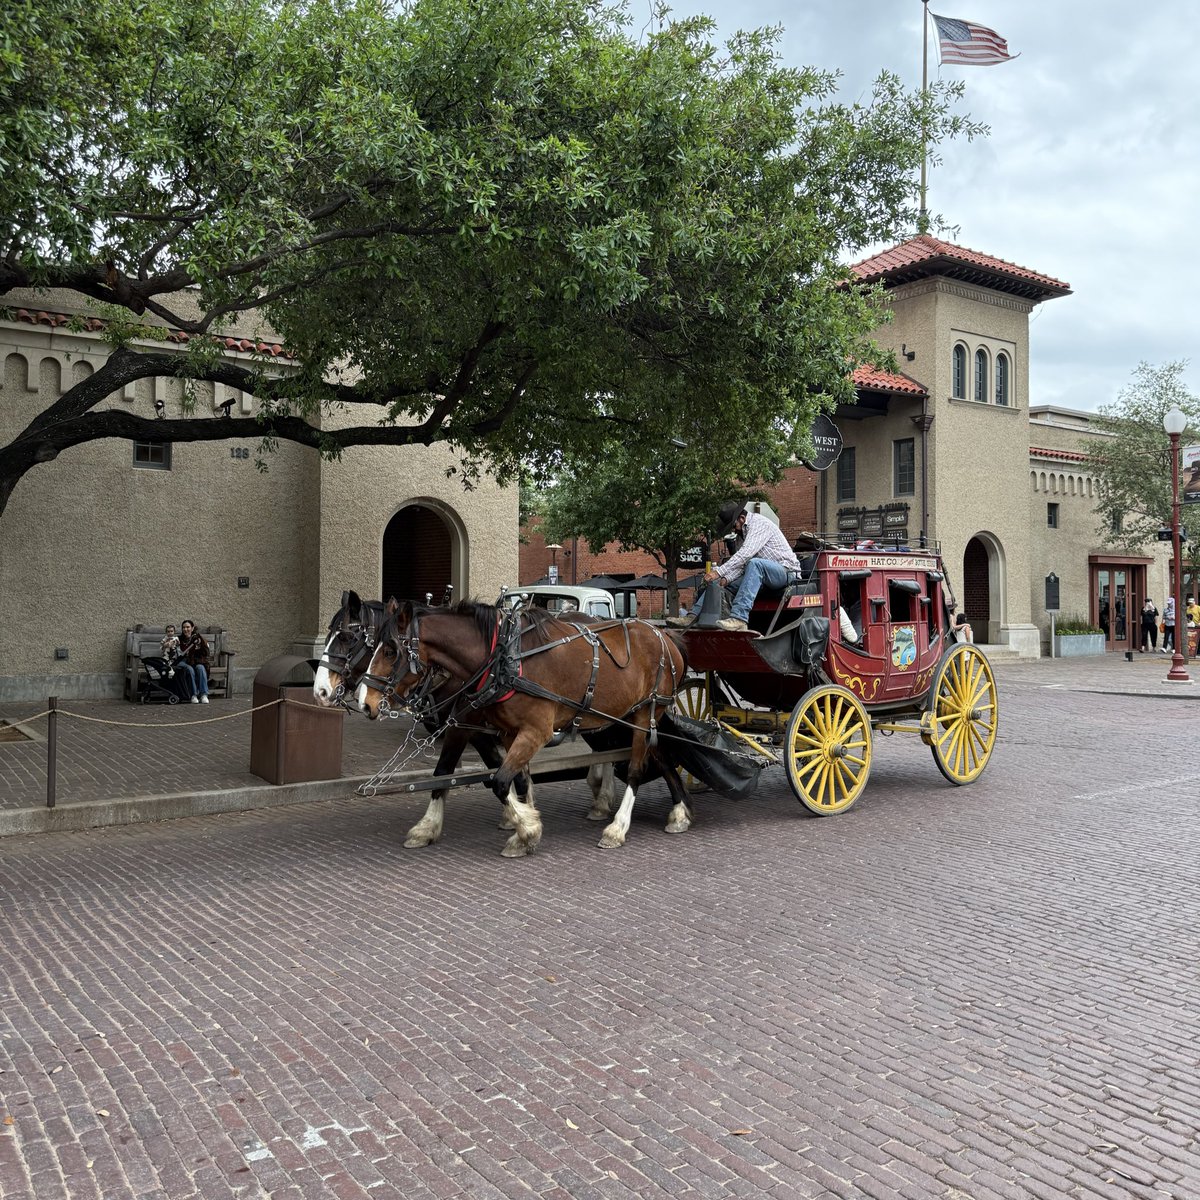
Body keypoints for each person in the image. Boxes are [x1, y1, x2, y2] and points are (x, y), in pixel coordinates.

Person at [667, 501, 801, 632]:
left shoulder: (760, 524)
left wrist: (719, 572)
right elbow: (743, 564)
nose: (734, 530)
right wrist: (726, 578)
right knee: (722, 583)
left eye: (734, 526)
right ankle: (692, 616)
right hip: (765, 574)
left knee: (754, 564)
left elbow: (745, 555)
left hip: (787, 572)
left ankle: (739, 619)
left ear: (742, 518)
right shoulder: (746, 532)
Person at [175, 619, 211, 703]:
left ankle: (203, 695)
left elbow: (206, 648)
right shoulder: (179, 639)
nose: (185, 629)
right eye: (183, 627)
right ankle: (193, 695)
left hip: (195, 661)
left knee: (200, 668)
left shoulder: (197, 638)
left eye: (188, 627)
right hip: (182, 661)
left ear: (192, 628)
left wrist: (200, 644)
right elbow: (174, 649)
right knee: (190, 669)